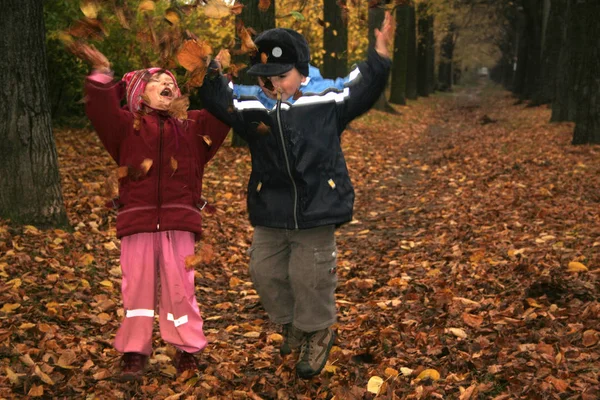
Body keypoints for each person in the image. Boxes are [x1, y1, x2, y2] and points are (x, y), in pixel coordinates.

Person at [198, 13, 394, 378]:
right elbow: (216, 98)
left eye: (282, 76)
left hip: (318, 205)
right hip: (270, 206)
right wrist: (208, 69)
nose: (274, 84)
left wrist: (379, 57)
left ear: (302, 71)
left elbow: (362, 85)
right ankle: (292, 324)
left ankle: (317, 330)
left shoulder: (328, 97)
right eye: (267, 78)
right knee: (264, 271)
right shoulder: (251, 103)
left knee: (311, 276)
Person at [76, 45, 230, 380]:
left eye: (171, 81)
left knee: (180, 289)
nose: (167, 84)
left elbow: (223, 114)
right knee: (138, 290)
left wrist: (215, 76)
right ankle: (134, 352)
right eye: (156, 80)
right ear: (137, 94)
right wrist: (103, 72)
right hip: (137, 220)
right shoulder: (125, 127)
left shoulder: (193, 125)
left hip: (180, 219)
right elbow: (100, 110)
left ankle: (187, 350)